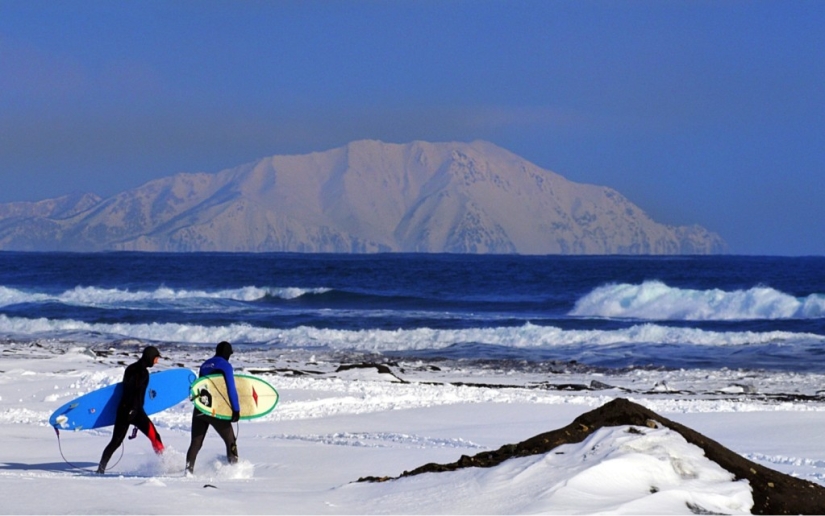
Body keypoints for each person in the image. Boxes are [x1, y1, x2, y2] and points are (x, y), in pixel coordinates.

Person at [97, 345, 164, 474]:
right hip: (135, 411)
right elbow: (133, 390)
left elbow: (127, 389)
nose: (157, 361)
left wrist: (129, 409)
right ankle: (165, 463)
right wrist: (133, 410)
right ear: (150, 357)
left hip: (123, 409)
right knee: (155, 437)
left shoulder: (130, 368)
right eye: (156, 358)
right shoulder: (142, 372)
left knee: (115, 442)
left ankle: (101, 469)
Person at [185, 341, 241, 475]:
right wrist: (236, 409)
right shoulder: (225, 366)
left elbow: (199, 387)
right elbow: (230, 389)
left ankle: (188, 471)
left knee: (196, 443)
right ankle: (236, 472)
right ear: (227, 353)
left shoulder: (204, 364)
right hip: (215, 409)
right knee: (230, 441)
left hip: (200, 407)